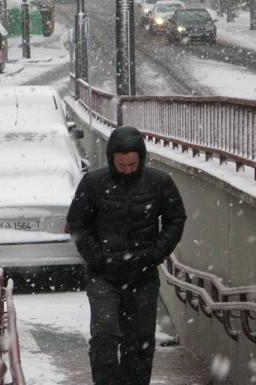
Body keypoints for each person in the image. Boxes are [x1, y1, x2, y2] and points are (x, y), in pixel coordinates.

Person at [67, 126, 187, 385]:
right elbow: (77, 224)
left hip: (142, 275)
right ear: (112, 159)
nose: (127, 170)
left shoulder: (159, 182)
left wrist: (156, 253)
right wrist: (98, 257)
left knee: (140, 344)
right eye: (122, 165)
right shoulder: (93, 183)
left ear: (141, 159)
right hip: (103, 275)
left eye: (133, 164)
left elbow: (175, 219)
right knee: (105, 336)